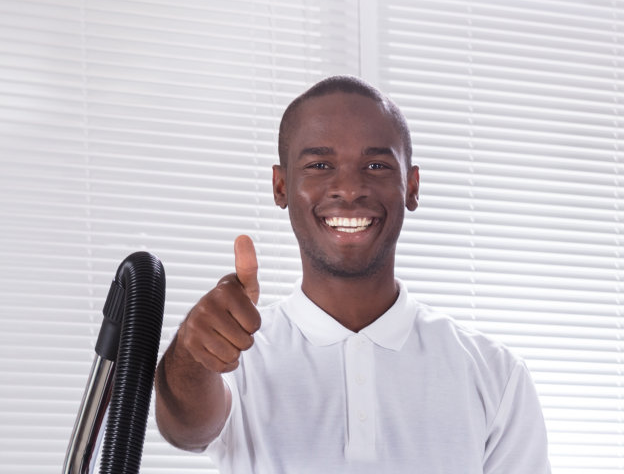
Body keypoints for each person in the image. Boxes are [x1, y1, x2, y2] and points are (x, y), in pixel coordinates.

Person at [154, 76, 551, 472]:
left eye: (376, 165)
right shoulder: (238, 350)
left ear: (411, 186)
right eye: (320, 165)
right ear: (281, 186)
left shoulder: (496, 374)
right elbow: (185, 429)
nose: (348, 188)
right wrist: (193, 353)